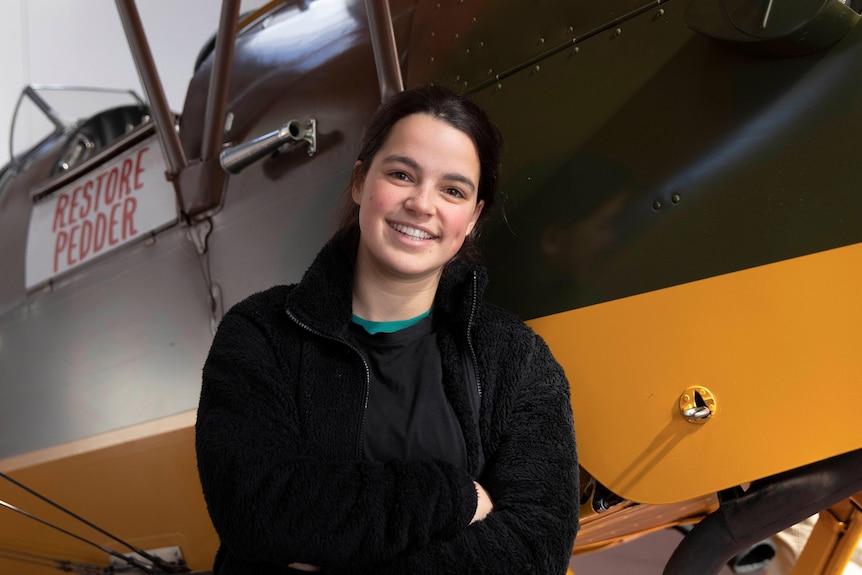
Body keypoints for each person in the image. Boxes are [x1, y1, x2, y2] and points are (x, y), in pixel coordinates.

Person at [195, 85, 579, 574]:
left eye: (453, 190)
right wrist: (457, 498)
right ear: (360, 182)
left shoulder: (517, 359)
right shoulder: (260, 332)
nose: (422, 204)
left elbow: (535, 547)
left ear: (474, 218)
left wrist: (332, 548)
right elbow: (256, 510)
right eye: (402, 174)